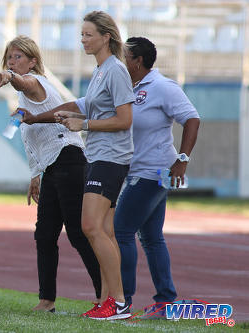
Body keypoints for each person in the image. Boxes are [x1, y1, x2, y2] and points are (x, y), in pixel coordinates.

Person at [24, 11, 135, 320]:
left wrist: (83, 124)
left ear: (106, 37)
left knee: (89, 227)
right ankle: (111, 300)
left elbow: (125, 120)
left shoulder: (115, 70)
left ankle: (119, 301)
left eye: (88, 34)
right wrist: (47, 116)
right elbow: (80, 105)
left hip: (110, 158)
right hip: (99, 157)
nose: (83, 40)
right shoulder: (101, 71)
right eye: (81, 34)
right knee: (104, 232)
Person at [0, 35, 101, 312]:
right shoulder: (23, 96)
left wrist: (11, 76)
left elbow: (26, 82)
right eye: (9, 57)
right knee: (44, 235)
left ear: (33, 61)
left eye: (18, 57)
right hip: (53, 167)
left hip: (69, 160)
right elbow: (31, 136)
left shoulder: (36, 82)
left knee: (79, 234)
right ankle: (47, 300)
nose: (12, 61)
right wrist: (36, 175)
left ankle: (108, 297)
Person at [114, 37, 200, 319]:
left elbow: (192, 118)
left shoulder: (163, 87)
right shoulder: (129, 87)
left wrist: (183, 159)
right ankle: (165, 301)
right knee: (151, 237)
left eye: (124, 56)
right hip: (143, 170)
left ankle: (122, 302)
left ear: (137, 61)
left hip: (152, 172)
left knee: (121, 232)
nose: (119, 61)